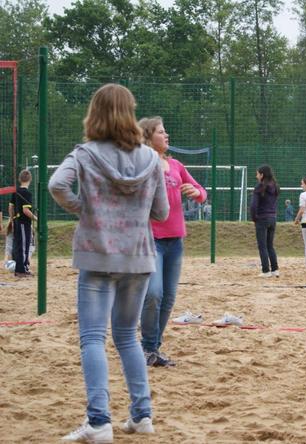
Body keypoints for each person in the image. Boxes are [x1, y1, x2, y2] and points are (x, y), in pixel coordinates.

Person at [49, 84, 169, 442]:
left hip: (98, 256)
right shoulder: (150, 158)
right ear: (130, 112)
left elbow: (57, 184)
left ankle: (99, 422)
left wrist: (85, 207)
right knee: (127, 338)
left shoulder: (84, 153)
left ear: (95, 112)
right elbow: (161, 212)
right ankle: (141, 415)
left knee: (92, 339)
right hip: (139, 257)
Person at [138, 117, 207, 367]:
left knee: (167, 298)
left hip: (175, 241)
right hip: (150, 240)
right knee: (153, 294)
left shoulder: (177, 165)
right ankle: (147, 347)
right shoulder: (141, 165)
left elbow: (201, 191)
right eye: (161, 132)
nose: (166, 136)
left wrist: (196, 192)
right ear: (147, 137)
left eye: (166, 131)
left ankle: (153, 348)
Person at [250, 164, 280, 277]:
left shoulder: (259, 187)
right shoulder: (275, 186)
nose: (256, 176)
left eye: (257, 173)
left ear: (262, 174)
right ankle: (275, 270)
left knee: (262, 246)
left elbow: (253, 205)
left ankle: (266, 271)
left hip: (262, 218)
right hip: (273, 218)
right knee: (270, 245)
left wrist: (254, 218)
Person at [9, 169, 37, 277]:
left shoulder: (15, 191)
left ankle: (18, 269)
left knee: (18, 245)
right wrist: (36, 218)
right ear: (30, 179)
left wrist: (12, 219)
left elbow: (10, 207)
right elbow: (26, 211)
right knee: (24, 246)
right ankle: (22, 270)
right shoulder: (26, 193)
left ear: (19, 179)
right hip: (23, 223)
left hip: (16, 221)